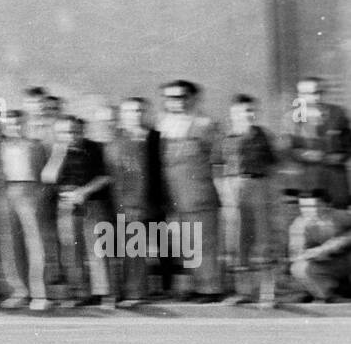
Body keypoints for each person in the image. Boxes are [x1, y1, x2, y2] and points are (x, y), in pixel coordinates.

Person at [159, 79, 221, 300]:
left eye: (181, 97)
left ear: (193, 98)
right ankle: (191, 286)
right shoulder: (163, 125)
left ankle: (209, 288)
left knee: (203, 241)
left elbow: (219, 160)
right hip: (173, 195)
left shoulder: (205, 125)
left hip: (198, 194)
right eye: (170, 97)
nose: (175, 102)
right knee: (183, 242)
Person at [43, 115, 113, 307]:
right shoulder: (56, 151)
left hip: (92, 202)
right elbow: (48, 177)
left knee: (97, 249)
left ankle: (103, 292)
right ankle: (81, 292)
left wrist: (84, 191)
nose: (69, 135)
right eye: (63, 132)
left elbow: (105, 177)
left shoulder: (94, 148)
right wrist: (59, 153)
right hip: (66, 205)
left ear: (81, 130)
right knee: (72, 249)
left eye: (73, 131)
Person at [217, 94, 278, 305]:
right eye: (244, 111)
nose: (249, 115)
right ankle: (243, 291)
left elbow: (271, 163)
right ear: (233, 114)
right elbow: (219, 167)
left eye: (252, 110)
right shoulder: (227, 138)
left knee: (263, 238)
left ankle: (267, 293)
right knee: (238, 240)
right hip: (234, 186)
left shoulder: (262, 135)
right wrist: (226, 193)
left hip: (259, 185)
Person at [105, 97, 164, 303]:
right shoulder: (117, 141)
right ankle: (122, 290)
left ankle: (135, 291)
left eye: (139, 110)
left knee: (136, 247)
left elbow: (140, 175)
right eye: (130, 111)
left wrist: (135, 202)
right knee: (126, 247)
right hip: (119, 201)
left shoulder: (152, 138)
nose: (135, 115)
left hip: (140, 201)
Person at [0, 109, 50, 309]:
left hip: (29, 190)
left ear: (23, 124)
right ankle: (19, 291)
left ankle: (39, 294)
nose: (14, 128)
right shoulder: (0, 148)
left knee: (35, 243)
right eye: (10, 125)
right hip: (8, 191)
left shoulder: (35, 146)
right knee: (10, 244)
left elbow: (44, 175)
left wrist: (38, 196)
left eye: (18, 123)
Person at [285, 76, 350, 209]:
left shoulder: (338, 113)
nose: (316, 97)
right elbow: (287, 150)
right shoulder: (292, 118)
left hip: (336, 181)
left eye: (319, 92)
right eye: (309, 94)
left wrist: (342, 156)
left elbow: (349, 143)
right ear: (300, 95)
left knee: (340, 221)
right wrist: (304, 154)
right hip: (309, 182)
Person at [287, 188, 351, 302]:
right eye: (307, 206)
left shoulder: (341, 216)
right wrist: (312, 254)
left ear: (327, 205)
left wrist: (335, 245)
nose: (313, 210)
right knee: (299, 267)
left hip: (346, 259)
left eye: (317, 205)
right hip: (328, 264)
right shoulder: (304, 225)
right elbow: (302, 251)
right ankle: (329, 296)